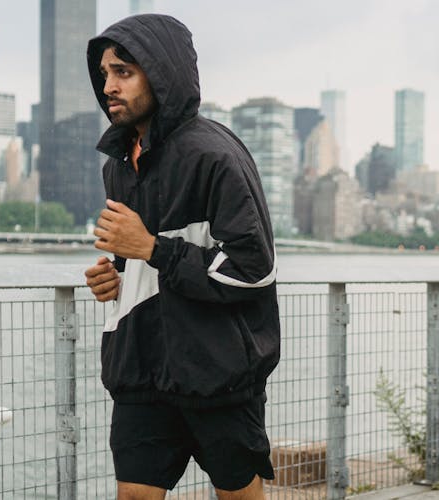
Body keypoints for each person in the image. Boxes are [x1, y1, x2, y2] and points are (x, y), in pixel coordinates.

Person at [83, 14, 280, 500]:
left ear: (162, 73)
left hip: (216, 374)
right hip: (141, 369)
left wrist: (152, 248)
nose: (109, 86)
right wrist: (115, 277)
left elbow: (253, 270)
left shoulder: (214, 156)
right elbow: (139, 260)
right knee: (133, 495)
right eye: (105, 73)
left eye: (124, 72)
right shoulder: (117, 165)